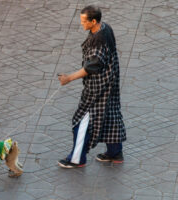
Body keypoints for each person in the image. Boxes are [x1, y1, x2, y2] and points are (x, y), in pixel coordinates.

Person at [57, 5, 126, 168]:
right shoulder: (105, 27)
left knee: (82, 120)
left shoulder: (98, 41)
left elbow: (92, 66)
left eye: (83, 21)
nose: (81, 24)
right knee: (110, 114)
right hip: (111, 81)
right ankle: (115, 152)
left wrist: (69, 78)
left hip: (98, 87)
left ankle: (77, 158)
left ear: (93, 21)